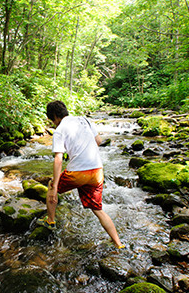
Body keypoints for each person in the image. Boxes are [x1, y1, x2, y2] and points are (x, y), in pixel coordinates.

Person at [37, 100, 125, 249]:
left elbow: (58, 159)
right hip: (97, 171)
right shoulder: (84, 120)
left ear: (54, 116)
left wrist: (55, 185)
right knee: (98, 209)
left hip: (78, 173)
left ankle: (50, 220)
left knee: (52, 184)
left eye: (52, 120)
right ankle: (118, 244)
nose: (53, 123)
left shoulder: (60, 130)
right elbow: (98, 141)